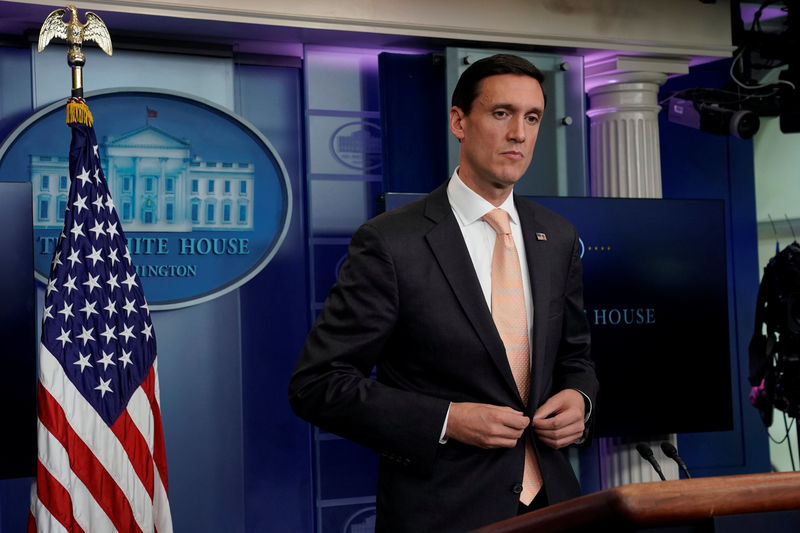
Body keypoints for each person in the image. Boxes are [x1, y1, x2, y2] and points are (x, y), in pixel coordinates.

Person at [289, 53, 598, 532]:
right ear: (459, 120)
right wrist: (447, 420)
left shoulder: (556, 237)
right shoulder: (391, 242)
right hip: (445, 513)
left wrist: (580, 397)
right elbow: (318, 385)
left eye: (532, 117)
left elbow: (576, 357)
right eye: (501, 113)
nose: (519, 132)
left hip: (555, 505)